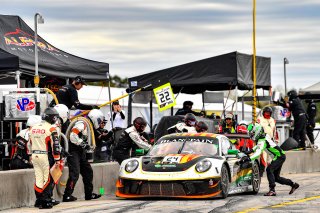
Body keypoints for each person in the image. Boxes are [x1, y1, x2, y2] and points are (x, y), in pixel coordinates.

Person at [240, 123, 299, 196]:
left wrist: (249, 158)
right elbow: (259, 146)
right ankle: (293, 184)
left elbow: (258, 152)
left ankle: (272, 190)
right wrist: (251, 150)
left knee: (269, 170)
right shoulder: (264, 136)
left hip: (279, 156)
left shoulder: (262, 140)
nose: (251, 135)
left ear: (257, 132)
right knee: (276, 178)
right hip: (279, 156)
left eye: (252, 133)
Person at [63, 109, 103, 202]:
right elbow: (73, 135)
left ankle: (89, 194)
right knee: (75, 174)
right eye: (99, 121)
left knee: (88, 172)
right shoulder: (82, 123)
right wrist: (83, 144)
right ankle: (67, 195)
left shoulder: (88, 124)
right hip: (73, 151)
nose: (100, 123)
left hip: (81, 151)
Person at [29, 108, 61, 209]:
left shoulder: (33, 127)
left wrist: (30, 154)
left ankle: (38, 200)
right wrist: (57, 160)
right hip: (44, 156)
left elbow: (29, 143)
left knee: (38, 178)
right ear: (53, 117)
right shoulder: (51, 129)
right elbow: (55, 146)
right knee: (47, 178)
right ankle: (46, 201)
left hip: (34, 155)